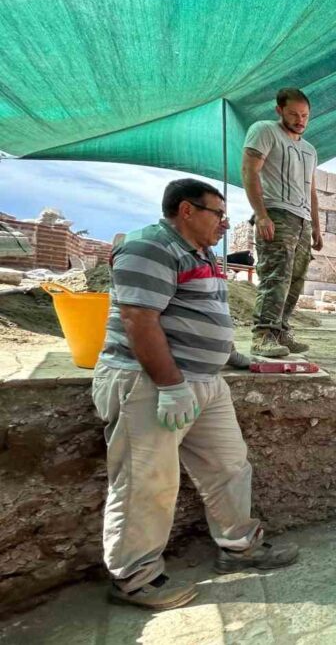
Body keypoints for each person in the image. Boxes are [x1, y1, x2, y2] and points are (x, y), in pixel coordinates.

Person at [93, 179, 299, 610]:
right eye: (218, 214)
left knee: (229, 465)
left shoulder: (203, 253)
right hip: (151, 384)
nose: (225, 223)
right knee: (145, 482)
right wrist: (170, 385)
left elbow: (202, 313)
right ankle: (135, 578)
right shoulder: (150, 247)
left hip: (205, 382)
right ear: (187, 210)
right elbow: (138, 320)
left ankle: (238, 546)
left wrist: (231, 355)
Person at [242, 87, 322, 358]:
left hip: (302, 220)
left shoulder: (309, 150)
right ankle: (262, 335)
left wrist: (317, 227)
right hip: (276, 213)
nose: (300, 120)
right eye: (293, 114)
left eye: (305, 115)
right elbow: (249, 170)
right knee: (276, 275)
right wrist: (261, 214)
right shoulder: (264, 131)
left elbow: (310, 190)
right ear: (279, 110)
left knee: (296, 279)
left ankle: (280, 330)